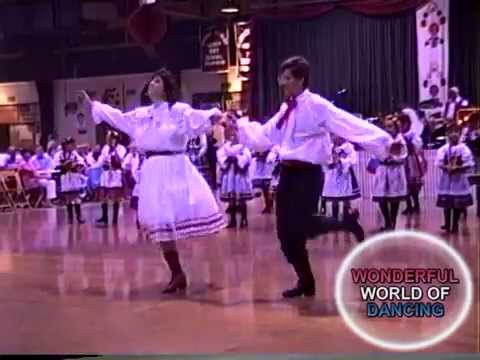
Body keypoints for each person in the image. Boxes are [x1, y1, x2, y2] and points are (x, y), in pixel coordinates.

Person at [228, 56, 395, 298]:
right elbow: (265, 137)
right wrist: (239, 127)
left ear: (300, 80)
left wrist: (384, 143)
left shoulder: (317, 105)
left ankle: (345, 223)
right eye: (280, 77)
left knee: (302, 224)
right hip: (287, 173)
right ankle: (305, 281)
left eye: (286, 78)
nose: (281, 83)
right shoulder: (287, 108)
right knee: (285, 234)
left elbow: (349, 124)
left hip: (308, 175)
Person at [78, 68, 225, 294]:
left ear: (166, 87)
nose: (151, 84)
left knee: (195, 218)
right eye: (151, 81)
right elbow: (119, 118)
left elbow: (197, 118)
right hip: (154, 170)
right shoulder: (142, 114)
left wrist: (214, 116)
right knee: (161, 222)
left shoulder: (178, 110)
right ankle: (176, 272)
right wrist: (94, 106)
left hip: (176, 166)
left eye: (157, 81)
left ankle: (215, 271)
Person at [435, 124, 474, 234]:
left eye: (456, 131)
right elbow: (439, 162)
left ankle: (455, 224)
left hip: (459, 178)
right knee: (447, 203)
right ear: (447, 134)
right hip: (446, 178)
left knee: (457, 203)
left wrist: (459, 168)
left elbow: (469, 162)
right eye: (451, 132)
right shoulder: (443, 149)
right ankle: (447, 224)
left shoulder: (464, 148)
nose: (453, 134)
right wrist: (445, 167)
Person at [371, 116, 408, 230]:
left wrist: (394, 159)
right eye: (386, 127)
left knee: (394, 198)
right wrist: (381, 157)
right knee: (382, 198)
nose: (388, 129)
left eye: (390, 126)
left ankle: (393, 222)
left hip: (394, 171)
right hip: (382, 170)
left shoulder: (400, 140)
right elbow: (374, 153)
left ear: (396, 128)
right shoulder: (380, 139)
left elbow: (403, 155)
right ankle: (387, 221)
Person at [217, 116, 253, 228]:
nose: (233, 135)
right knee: (231, 199)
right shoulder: (225, 147)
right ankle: (232, 220)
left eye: (235, 132)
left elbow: (247, 157)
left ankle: (244, 219)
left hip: (239, 174)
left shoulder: (243, 147)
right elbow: (220, 156)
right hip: (229, 174)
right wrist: (227, 160)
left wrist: (238, 159)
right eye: (230, 132)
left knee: (241, 199)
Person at [321, 135, 360, 220]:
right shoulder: (329, 146)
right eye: (333, 135)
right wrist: (330, 162)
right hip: (331, 176)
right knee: (333, 199)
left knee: (345, 198)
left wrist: (341, 161)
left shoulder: (348, 147)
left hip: (344, 176)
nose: (335, 137)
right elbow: (323, 160)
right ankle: (336, 221)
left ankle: (346, 220)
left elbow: (353, 160)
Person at [398, 110, 427, 215]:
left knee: (413, 184)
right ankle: (409, 205)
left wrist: (408, 144)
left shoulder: (412, 135)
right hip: (403, 161)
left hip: (411, 160)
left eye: (403, 123)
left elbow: (418, 146)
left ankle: (416, 204)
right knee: (405, 184)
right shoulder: (399, 135)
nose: (401, 126)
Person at [53, 138, 86, 224]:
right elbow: (55, 166)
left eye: (72, 144)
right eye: (69, 144)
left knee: (77, 197)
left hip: (74, 177)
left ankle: (79, 217)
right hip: (65, 177)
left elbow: (82, 163)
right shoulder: (59, 155)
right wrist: (63, 165)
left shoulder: (75, 154)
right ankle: (70, 217)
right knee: (68, 198)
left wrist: (76, 165)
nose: (71, 146)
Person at [96, 131, 126, 226]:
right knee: (103, 196)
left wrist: (114, 150)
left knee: (115, 197)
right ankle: (104, 218)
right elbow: (100, 160)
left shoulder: (121, 148)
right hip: (105, 173)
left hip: (115, 173)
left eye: (111, 138)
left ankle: (114, 220)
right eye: (108, 138)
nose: (109, 140)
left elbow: (120, 160)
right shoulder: (105, 148)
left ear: (115, 139)